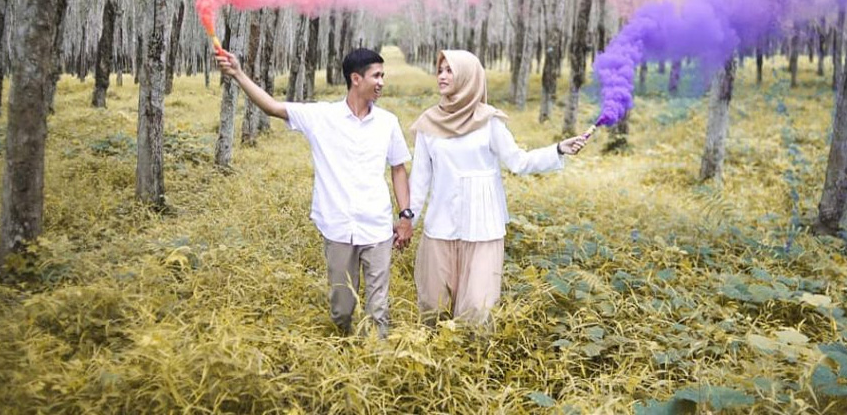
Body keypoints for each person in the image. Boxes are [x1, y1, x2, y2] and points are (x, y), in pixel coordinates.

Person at [215, 47, 414, 337]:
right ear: (356, 79)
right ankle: (344, 351)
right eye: (376, 75)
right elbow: (272, 107)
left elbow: (398, 169)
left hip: (377, 228)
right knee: (342, 310)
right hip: (337, 228)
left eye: (383, 75)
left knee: (378, 308)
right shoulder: (322, 116)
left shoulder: (388, 123)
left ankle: (376, 362)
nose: (382, 82)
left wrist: (405, 216)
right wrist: (237, 73)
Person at [408, 49, 589, 325]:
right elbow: (419, 181)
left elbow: (519, 161)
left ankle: (473, 362)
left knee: (477, 308)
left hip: (482, 225)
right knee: (434, 304)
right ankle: (436, 358)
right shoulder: (428, 123)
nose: (442, 76)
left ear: (468, 77)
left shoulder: (488, 122)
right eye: (440, 70)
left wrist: (558, 149)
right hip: (441, 224)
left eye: (450, 70)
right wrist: (407, 219)